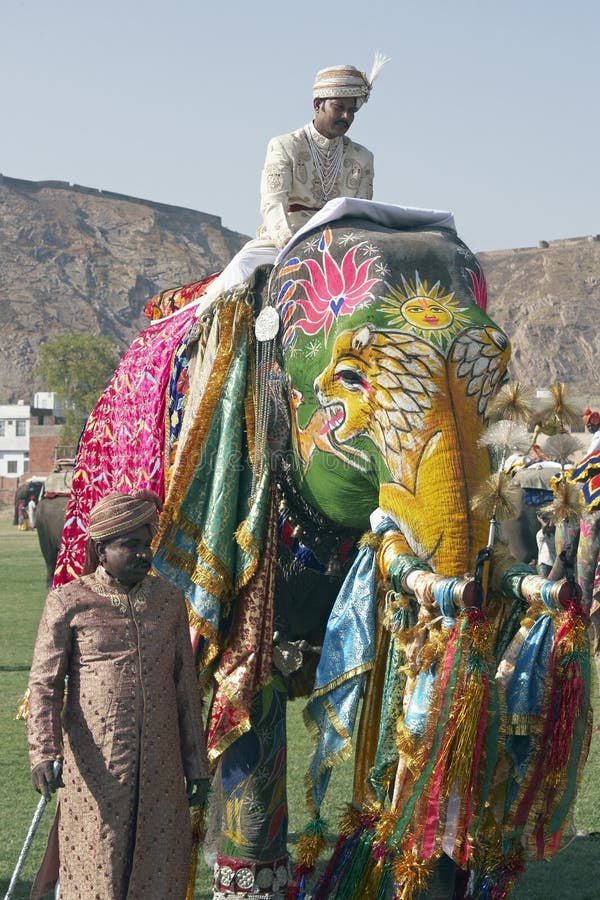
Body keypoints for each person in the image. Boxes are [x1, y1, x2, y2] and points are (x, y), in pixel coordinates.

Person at [27, 490, 209, 900]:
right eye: (130, 545)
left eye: (146, 544)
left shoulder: (169, 600)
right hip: (96, 772)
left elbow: (185, 688)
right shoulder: (70, 602)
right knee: (99, 869)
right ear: (101, 551)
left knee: (159, 868)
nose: (144, 554)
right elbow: (44, 686)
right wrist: (43, 751)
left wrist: (196, 765)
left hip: (162, 770)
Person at [195, 56, 387, 311]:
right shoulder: (285, 145)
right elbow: (273, 203)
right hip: (284, 241)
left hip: (338, 245)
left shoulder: (363, 157)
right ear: (318, 105)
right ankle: (201, 329)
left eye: (352, 111)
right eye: (339, 107)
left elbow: (361, 213)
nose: (346, 116)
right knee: (242, 266)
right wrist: (289, 243)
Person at [535, 511, 556, 576]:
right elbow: (545, 527)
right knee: (544, 581)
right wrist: (540, 520)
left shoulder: (553, 534)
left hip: (553, 563)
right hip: (544, 564)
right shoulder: (540, 533)